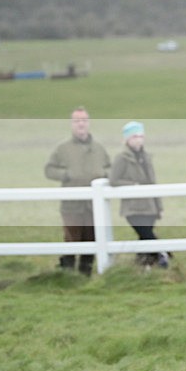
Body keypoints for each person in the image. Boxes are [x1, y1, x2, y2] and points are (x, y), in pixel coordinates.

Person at [44, 106, 110, 276]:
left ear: (89, 123)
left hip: (94, 206)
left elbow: (110, 169)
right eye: (77, 121)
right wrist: (66, 175)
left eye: (84, 120)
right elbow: (49, 170)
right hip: (71, 205)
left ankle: (85, 275)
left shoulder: (99, 148)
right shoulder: (62, 148)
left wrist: (104, 176)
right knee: (72, 238)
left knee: (92, 238)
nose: (81, 124)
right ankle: (67, 274)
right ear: (72, 124)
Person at [109, 121, 168, 268]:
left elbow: (153, 182)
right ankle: (164, 254)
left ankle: (142, 268)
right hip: (133, 208)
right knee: (148, 236)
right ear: (127, 139)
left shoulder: (146, 157)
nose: (138, 139)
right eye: (135, 136)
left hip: (150, 207)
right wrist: (132, 186)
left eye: (141, 136)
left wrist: (159, 206)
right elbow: (113, 180)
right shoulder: (122, 158)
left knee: (144, 240)